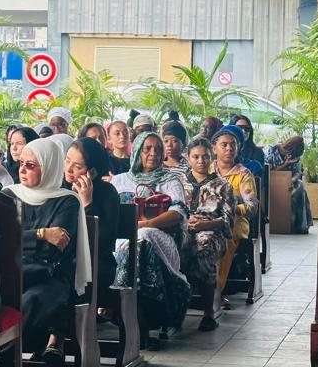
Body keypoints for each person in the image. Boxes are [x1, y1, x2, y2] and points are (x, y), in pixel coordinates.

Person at [7, 138, 90, 360]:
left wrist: (20, 239)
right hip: (11, 274)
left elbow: (53, 250)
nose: (22, 170)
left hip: (49, 277)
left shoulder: (67, 201)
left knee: (29, 302)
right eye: (21, 163)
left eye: (30, 165)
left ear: (49, 167)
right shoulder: (9, 195)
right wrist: (41, 234)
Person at [110, 132, 191, 343]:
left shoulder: (171, 180)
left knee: (142, 239)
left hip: (161, 237)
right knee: (129, 244)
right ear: (137, 151)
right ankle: (131, 314)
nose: (153, 153)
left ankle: (140, 318)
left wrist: (144, 224)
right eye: (147, 148)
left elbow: (178, 213)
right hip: (122, 240)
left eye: (158, 149)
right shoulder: (119, 180)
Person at [179, 139, 234, 332]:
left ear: (211, 157)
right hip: (181, 228)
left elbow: (227, 221)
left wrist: (205, 224)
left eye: (205, 157)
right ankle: (173, 310)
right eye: (196, 157)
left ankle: (209, 312)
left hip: (211, 231)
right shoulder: (178, 182)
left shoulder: (223, 185)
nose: (201, 161)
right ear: (188, 158)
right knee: (172, 246)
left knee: (204, 246)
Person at [65, 138, 119, 308]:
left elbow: (103, 241)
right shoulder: (60, 187)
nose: (69, 169)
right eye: (67, 160)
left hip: (98, 262)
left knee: (70, 271)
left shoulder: (107, 193)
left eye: (77, 166)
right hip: (65, 258)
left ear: (92, 171)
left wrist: (87, 204)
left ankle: (75, 323)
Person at [210, 125, 258, 302]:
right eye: (224, 145)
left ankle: (215, 291)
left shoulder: (243, 174)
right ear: (214, 148)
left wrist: (231, 208)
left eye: (233, 145)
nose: (229, 148)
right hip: (207, 219)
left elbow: (251, 207)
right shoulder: (206, 169)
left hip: (235, 223)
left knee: (224, 238)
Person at [265, 136, 313, 234]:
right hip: (271, 183)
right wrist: (286, 165)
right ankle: (286, 223)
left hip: (288, 182)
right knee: (293, 192)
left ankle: (300, 225)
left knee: (300, 187)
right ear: (288, 150)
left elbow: (298, 172)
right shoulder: (271, 151)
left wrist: (292, 180)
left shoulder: (295, 155)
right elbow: (268, 172)